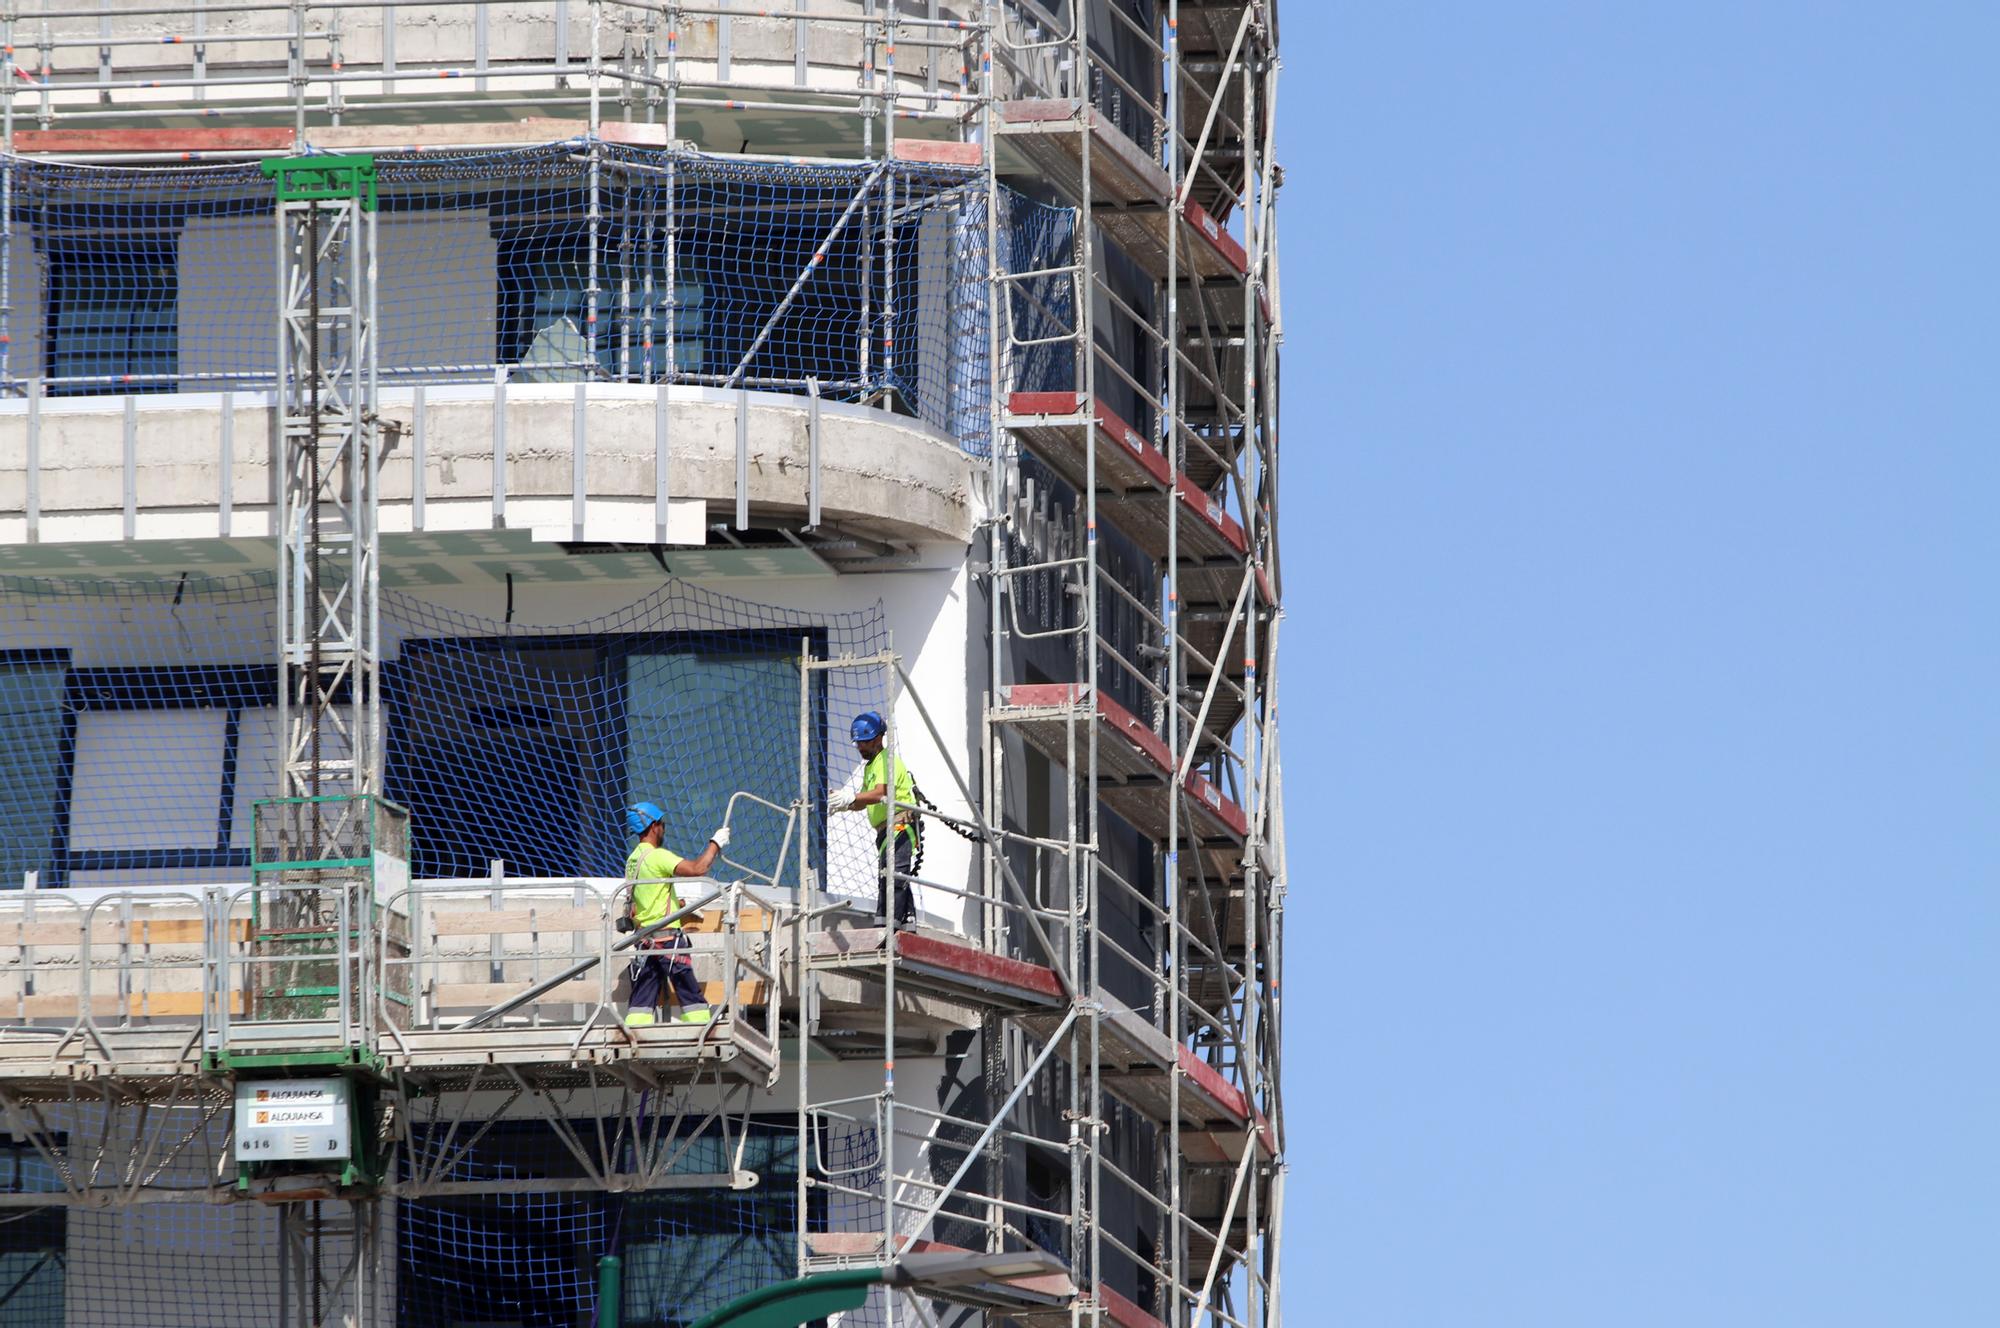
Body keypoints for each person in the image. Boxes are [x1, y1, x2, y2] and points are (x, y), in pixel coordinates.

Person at [621, 802, 729, 1027]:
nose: (664, 829)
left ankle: (635, 1034)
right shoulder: (656, 856)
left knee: (641, 999)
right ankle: (702, 1031)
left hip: (645, 942)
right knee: (690, 996)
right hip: (668, 940)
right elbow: (698, 869)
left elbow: (646, 897)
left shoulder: (633, 860)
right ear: (653, 826)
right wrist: (715, 844)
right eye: (662, 824)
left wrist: (676, 904)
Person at [831, 711, 920, 928]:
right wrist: (845, 804)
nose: (861, 747)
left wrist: (851, 797)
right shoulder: (872, 766)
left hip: (899, 825)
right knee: (889, 876)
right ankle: (905, 923)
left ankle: (889, 926)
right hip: (886, 831)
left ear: (879, 738)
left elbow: (881, 793)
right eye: (858, 743)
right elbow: (865, 800)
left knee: (894, 876)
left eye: (865, 742)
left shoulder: (886, 760)